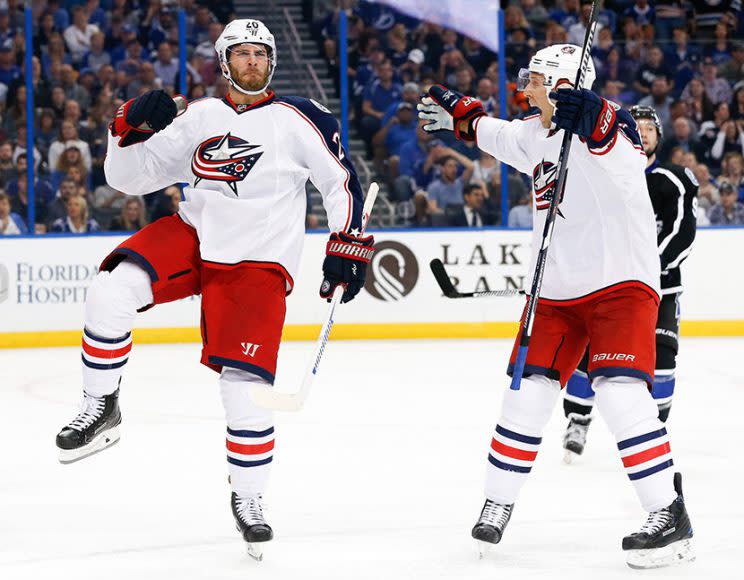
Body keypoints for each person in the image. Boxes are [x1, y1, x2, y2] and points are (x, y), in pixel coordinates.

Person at [54, 19, 373, 558]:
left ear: (272, 62)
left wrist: (348, 244)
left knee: (244, 389)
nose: (253, 62)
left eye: (261, 53)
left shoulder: (302, 118)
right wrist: (125, 127)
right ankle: (99, 405)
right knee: (110, 290)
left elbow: (341, 182)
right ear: (225, 63)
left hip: (257, 261)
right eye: (242, 54)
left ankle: (249, 500)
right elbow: (129, 178)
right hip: (196, 235)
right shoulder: (200, 115)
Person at [418, 43, 694, 568]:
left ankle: (669, 515)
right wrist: (460, 116)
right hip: (556, 293)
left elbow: (610, 128)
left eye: (537, 79)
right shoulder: (532, 134)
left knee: (620, 396)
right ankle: (497, 503)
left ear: (566, 85)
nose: (526, 87)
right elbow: (489, 131)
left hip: (619, 287)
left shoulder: (611, 135)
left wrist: (589, 109)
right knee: (524, 396)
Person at [561, 105, 698, 461]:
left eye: (650, 127)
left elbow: (681, 232)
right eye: (637, 126)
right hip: (608, 287)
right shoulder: (603, 177)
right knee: (588, 354)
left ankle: (655, 429)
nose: (644, 131)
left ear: (658, 136)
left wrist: (648, 269)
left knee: (663, 358)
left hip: (660, 289)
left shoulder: (673, 179)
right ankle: (578, 418)